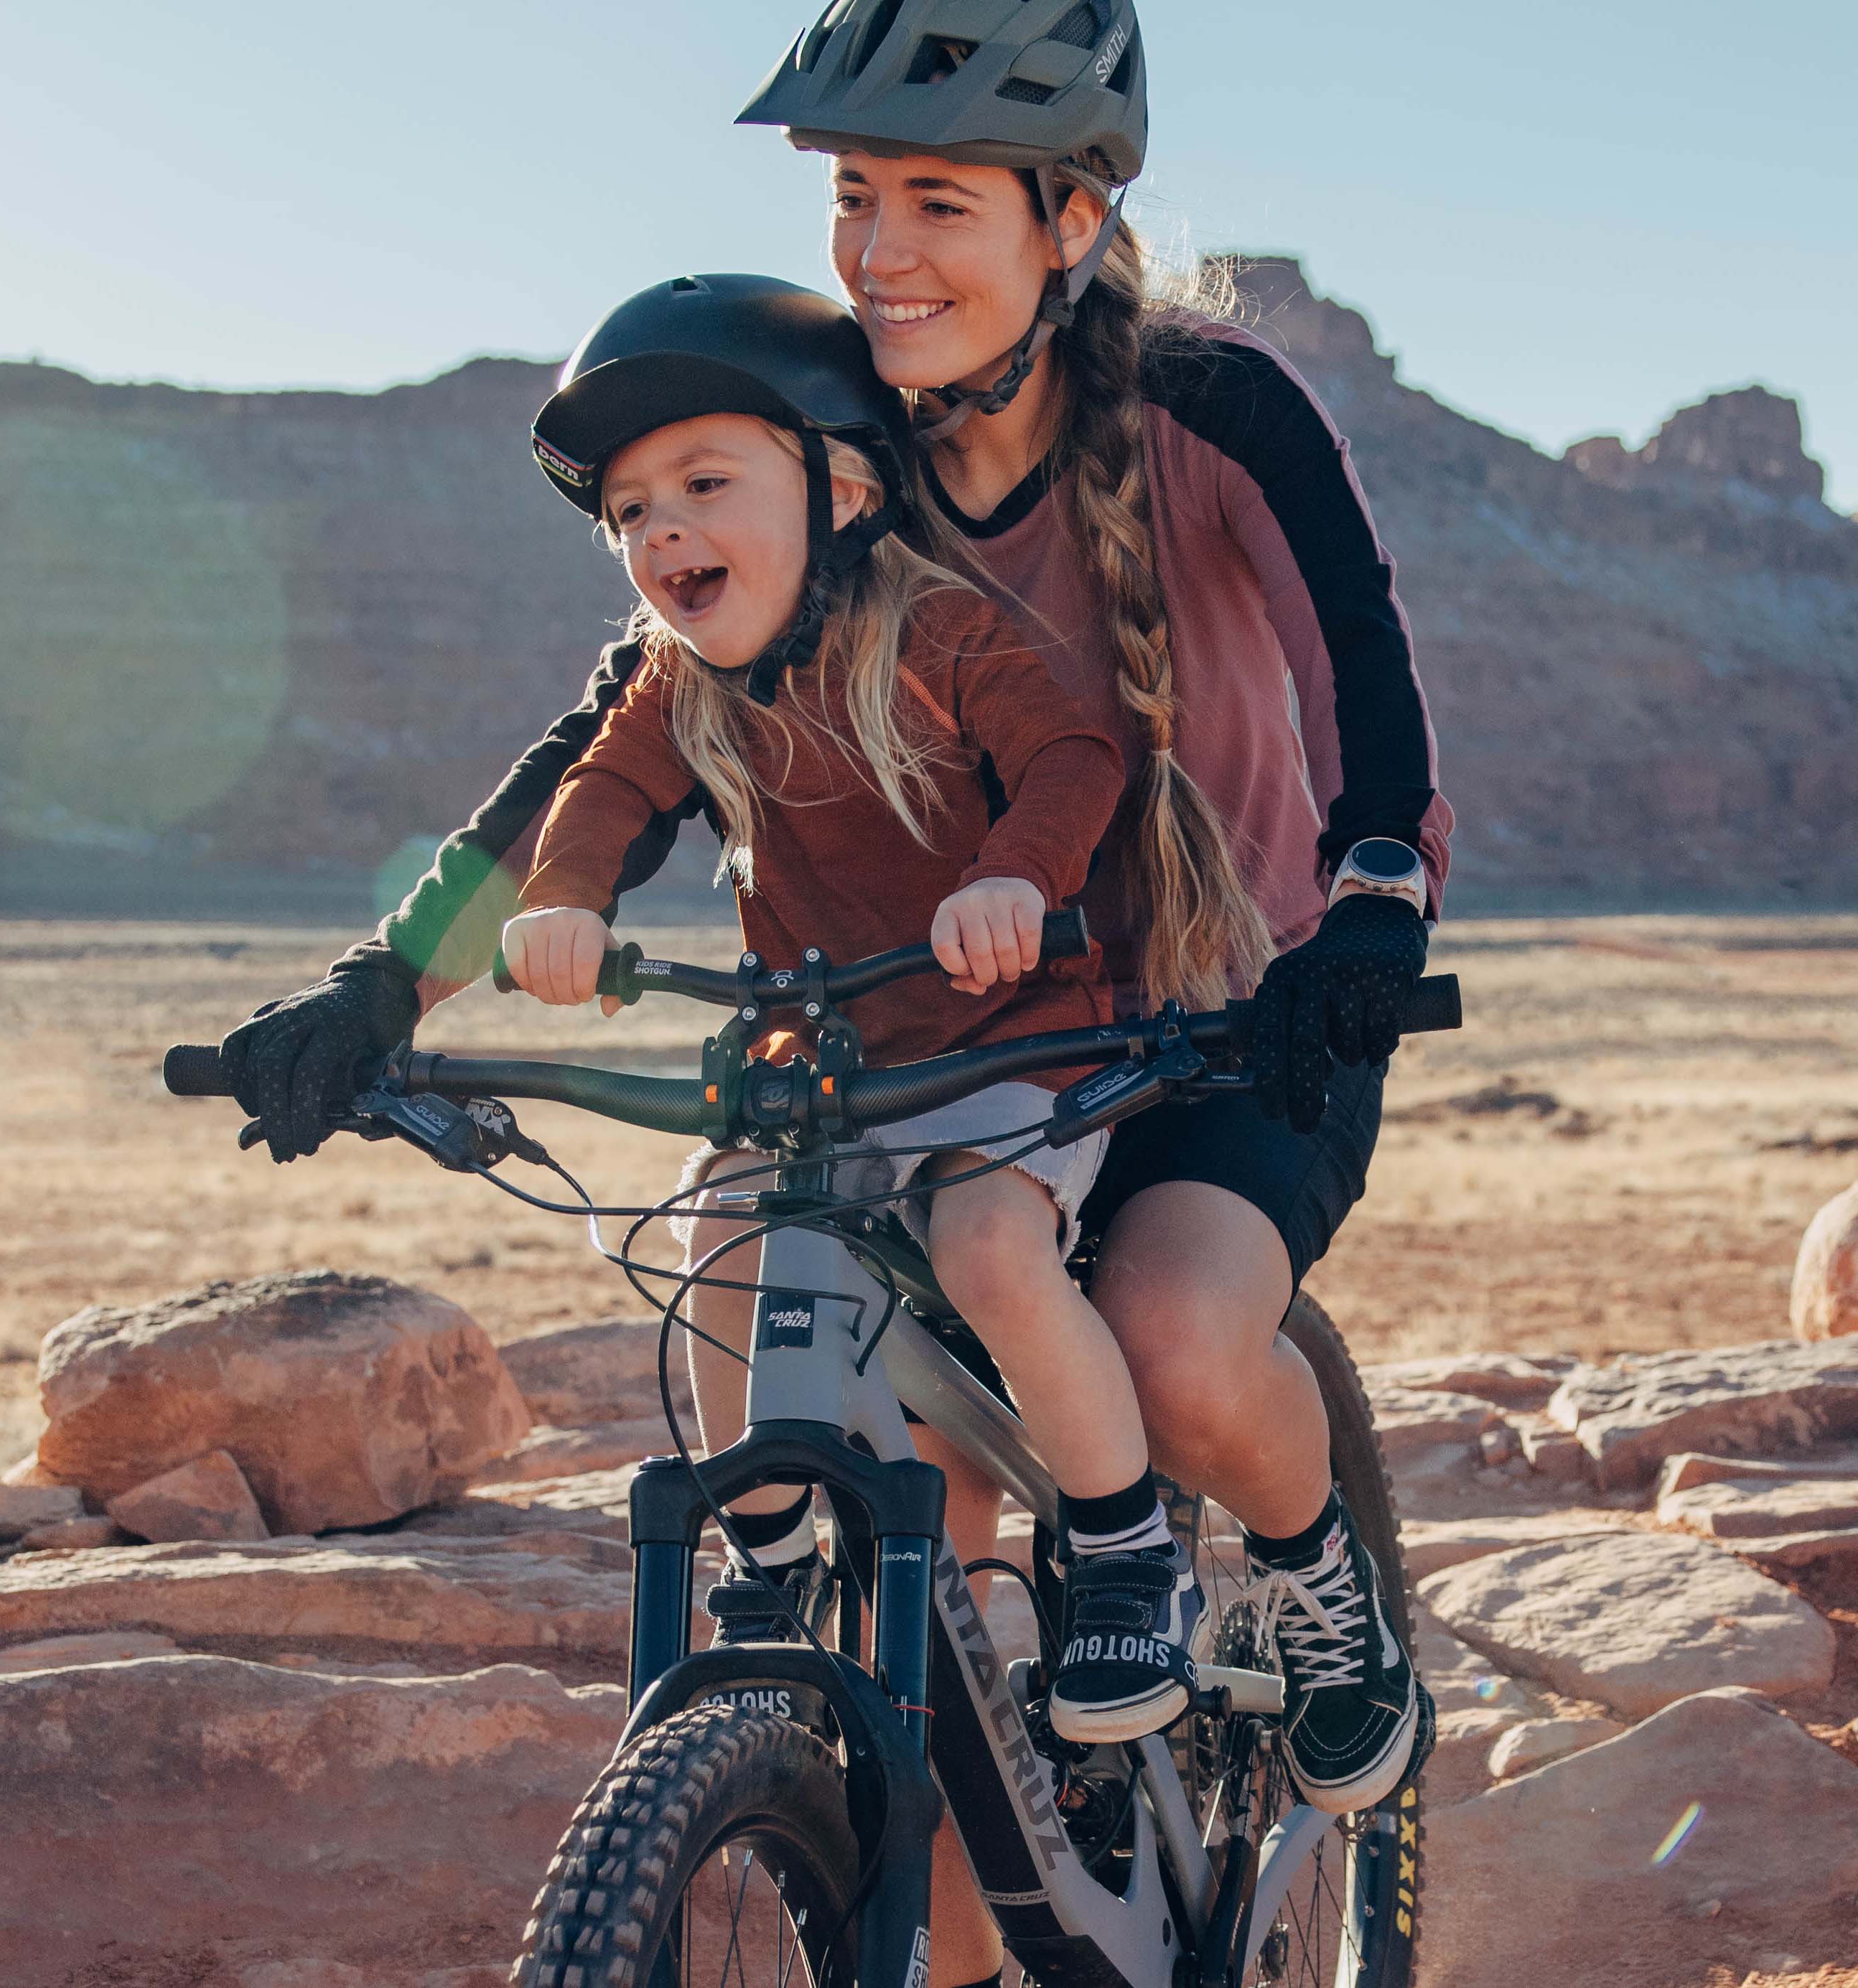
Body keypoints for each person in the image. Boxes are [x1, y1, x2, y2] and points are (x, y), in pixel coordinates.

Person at [218, 5, 1450, 1980]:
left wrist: (1379, 902)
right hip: (924, 1056)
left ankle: (1328, 1603)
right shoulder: (826, 437)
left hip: (1227, 1025)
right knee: (924, 1598)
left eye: (935, 199)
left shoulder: (1212, 406)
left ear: (1069, 216)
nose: (876, 246)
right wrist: (385, 980)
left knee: (1178, 1345)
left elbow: (1364, 670)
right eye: (853, 194)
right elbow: (602, 742)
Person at [502, 271, 1210, 1746]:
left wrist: (1013, 876)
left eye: (702, 483)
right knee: (719, 1234)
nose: (661, 532)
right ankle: (762, 1554)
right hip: (828, 1061)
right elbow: (605, 792)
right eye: (630, 513)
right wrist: (564, 899)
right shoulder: (673, 683)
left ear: (839, 487)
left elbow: (1077, 754)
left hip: (1014, 1039)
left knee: (987, 1238)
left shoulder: (944, 633)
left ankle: (1125, 1539)